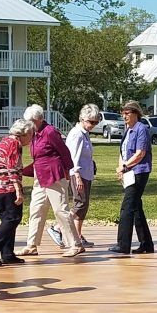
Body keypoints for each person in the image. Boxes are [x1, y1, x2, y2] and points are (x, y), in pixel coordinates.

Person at [18, 104, 83, 258]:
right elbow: (37, 158)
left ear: (38, 119)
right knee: (36, 209)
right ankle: (31, 245)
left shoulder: (50, 132)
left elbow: (65, 153)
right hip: (39, 177)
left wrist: (68, 172)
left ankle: (76, 244)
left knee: (61, 210)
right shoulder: (34, 133)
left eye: (31, 121)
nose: (29, 124)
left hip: (54, 176)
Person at [0, 119, 34, 266]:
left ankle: (7, 254)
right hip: (7, 187)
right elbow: (12, 169)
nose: (32, 138)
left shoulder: (5, 140)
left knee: (7, 220)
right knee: (13, 218)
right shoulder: (14, 143)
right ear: (23, 134)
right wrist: (18, 191)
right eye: (31, 134)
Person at [49, 104, 100, 249]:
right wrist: (77, 176)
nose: (93, 125)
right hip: (78, 174)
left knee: (83, 205)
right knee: (80, 204)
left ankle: (78, 234)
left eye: (96, 122)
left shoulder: (84, 133)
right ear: (82, 119)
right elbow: (72, 156)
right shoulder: (77, 134)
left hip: (86, 173)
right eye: (91, 122)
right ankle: (57, 228)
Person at [109, 100, 154, 254]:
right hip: (129, 172)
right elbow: (123, 152)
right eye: (123, 113)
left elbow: (140, 153)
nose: (124, 116)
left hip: (139, 172)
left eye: (127, 113)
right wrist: (121, 169)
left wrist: (125, 166)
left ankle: (123, 245)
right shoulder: (128, 130)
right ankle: (146, 244)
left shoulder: (141, 129)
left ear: (136, 113)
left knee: (127, 206)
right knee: (136, 208)